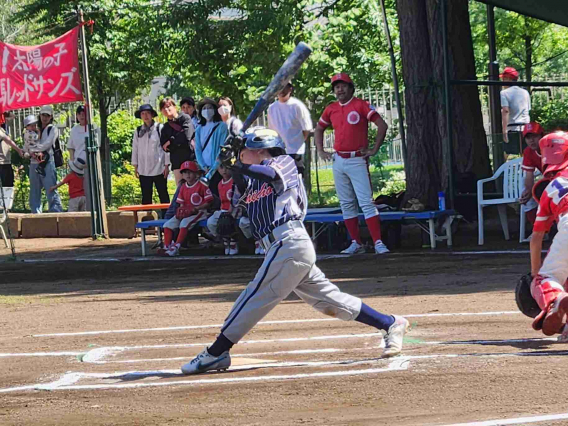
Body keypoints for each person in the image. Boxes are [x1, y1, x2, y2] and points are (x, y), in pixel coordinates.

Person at [180, 127, 410, 375]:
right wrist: (234, 174)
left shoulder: (284, 162)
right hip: (279, 248)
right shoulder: (252, 180)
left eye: (245, 151)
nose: (241, 155)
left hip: (289, 241)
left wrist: (239, 165)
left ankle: (217, 351)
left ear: (260, 149)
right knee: (329, 301)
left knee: (257, 293)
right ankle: (390, 323)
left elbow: (270, 174)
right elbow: (241, 202)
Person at [314, 72, 389, 255]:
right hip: (339, 159)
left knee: (366, 202)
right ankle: (356, 242)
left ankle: (378, 242)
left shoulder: (361, 105)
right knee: (346, 203)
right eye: (336, 87)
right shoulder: (331, 108)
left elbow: (382, 125)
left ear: (350, 88)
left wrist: (373, 149)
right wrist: (321, 150)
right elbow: (319, 128)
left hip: (357, 159)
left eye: (343, 85)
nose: (339, 89)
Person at [528, 131, 568, 340]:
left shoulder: (551, 188)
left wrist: (536, 274)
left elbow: (536, 238)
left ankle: (555, 299)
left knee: (549, 278)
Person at [159, 160, 213, 257]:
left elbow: (208, 202)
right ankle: (166, 246)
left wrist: (196, 208)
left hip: (199, 212)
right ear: (182, 175)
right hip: (187, 213)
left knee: (184, 224)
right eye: (185, 172)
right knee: (167, 225)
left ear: (196, 174)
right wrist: (181, 211)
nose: (187, 175)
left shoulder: (202, 186)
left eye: (190, 172)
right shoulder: (183, 187)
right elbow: (180, 203)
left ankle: (176, 247)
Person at [267, 82, 313, 175]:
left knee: (298, 179)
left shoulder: (297, 105)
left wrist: (297, 142)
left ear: (290, 89)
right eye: (279, 88)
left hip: (295, 151)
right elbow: (271, 131)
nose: (282, 91)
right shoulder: (271, 108)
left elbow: (306, 128)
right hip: (278, 151)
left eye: (285, 88)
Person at [25, 105, 63, 214]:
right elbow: (27, 142)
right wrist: (28, 152)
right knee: (34, 190)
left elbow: (47, 144)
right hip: (34, 162)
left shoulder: (53, 129)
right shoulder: (34, 128)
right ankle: (35, 214)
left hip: (47, 162)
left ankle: (56, 214)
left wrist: (34, 149)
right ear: (40, 115)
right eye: (43, 115)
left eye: (47, 115)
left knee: (50, 188)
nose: (45, 117)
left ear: (51, 117)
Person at [131, 104, 171, 207]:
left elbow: (166, 147)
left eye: (148, 113)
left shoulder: (160, 128)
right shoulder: (138, 131)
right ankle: (147, 219)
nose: (145, 116)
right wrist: (135, 166)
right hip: (144, 168)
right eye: (143, 113)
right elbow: (135, 148)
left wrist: (167, 165)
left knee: (163, 194)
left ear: (152, 114)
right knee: (146, 196)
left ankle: (166, 218)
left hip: (159, 167)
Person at [67, 105, 100, 211]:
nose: (82, 116)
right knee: (80, 191)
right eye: (79, 114)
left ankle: (94, 211)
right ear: (76, 116)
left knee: (92, 190)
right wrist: (72, 163)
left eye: (84, 113)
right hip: (77, 166)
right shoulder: (74, 130)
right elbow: (71, 147)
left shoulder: (94, 127)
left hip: (91, 164)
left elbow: (97, 146)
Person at [194, 98, 228, 196]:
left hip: (218, 167)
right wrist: (203, 166)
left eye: (210, 107)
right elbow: (198, 149)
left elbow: (222, 148)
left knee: (217, 193)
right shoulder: (199, 128)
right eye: (204, 108)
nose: (207, 110)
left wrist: (214, 167)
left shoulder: (222, 126)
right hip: (204, 168)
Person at [160, 97, 195, 185]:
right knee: (180, 189)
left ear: (175, 107)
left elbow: (187, 136)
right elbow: (165, 147)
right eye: (163, 108)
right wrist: (176, 140)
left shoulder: (185, 118)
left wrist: (171, 141)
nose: (166, 109)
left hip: (189, 158)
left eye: (168, 106)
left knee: (193, 187)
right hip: (176, 163)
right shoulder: (165, 127)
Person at [206, 163, 238, 255]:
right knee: (211, 222)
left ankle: (233, 241)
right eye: (221, 167)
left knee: (229, 220)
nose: (224, 170)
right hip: (223, 210)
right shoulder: (219, 184)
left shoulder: (236, 181)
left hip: (235, 209)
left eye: (227, 167)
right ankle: (223, 239)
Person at [500, 66, 531, 158]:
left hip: (512, 128)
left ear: (508, 78)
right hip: (526, 128)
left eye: (503, 78)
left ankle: (500, 171)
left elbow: (505, 111)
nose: (502, 81)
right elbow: (528, 109)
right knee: (525, 154)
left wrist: (504, 130)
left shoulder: (504, 93)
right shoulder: (525, 92)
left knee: (504, 153)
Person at [519, 122, 545, 227]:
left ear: (542, 136)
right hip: (549, 181)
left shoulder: (551, 146)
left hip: (561, 178)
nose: (531, 140)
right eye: (528, 137)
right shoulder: (528, 152)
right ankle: (540, 231)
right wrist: (528, 191)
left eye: (534, 136)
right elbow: (528, 175)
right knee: (525, 195)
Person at [0, 113, 24, 187]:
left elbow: (12, 116)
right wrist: (19, 150)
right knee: (6, 186)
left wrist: (4, 112)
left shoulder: (3, 128)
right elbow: (8, 140)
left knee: (8, 185)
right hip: (1, 163)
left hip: (6, 161)